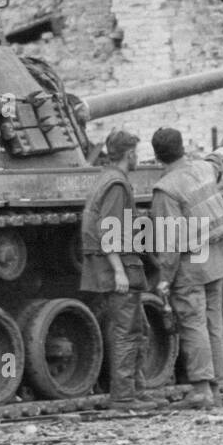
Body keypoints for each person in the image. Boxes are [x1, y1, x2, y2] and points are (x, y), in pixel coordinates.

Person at [149, 127, 223, 409]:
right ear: (182, 147)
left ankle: (200, 389)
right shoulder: (202, 169)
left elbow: (169, 242)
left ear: (156, 156)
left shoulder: (166, 190)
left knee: (192, 323)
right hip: (217, 259)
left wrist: (164, 279)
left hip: (192, 263)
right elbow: (215, 164)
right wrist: (221, 152)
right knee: (213, 323)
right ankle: (217, 386)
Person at [83, 129, 156, 410]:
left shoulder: (110, 179)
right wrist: (118, 271)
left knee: (138, 328)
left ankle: (136, 389)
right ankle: (124, 396)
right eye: (136, 153)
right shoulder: (116, 184)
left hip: (125, 264)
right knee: (126, 331)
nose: (138, 158)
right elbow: (108, 228)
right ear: (129, 154)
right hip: (119, 268)